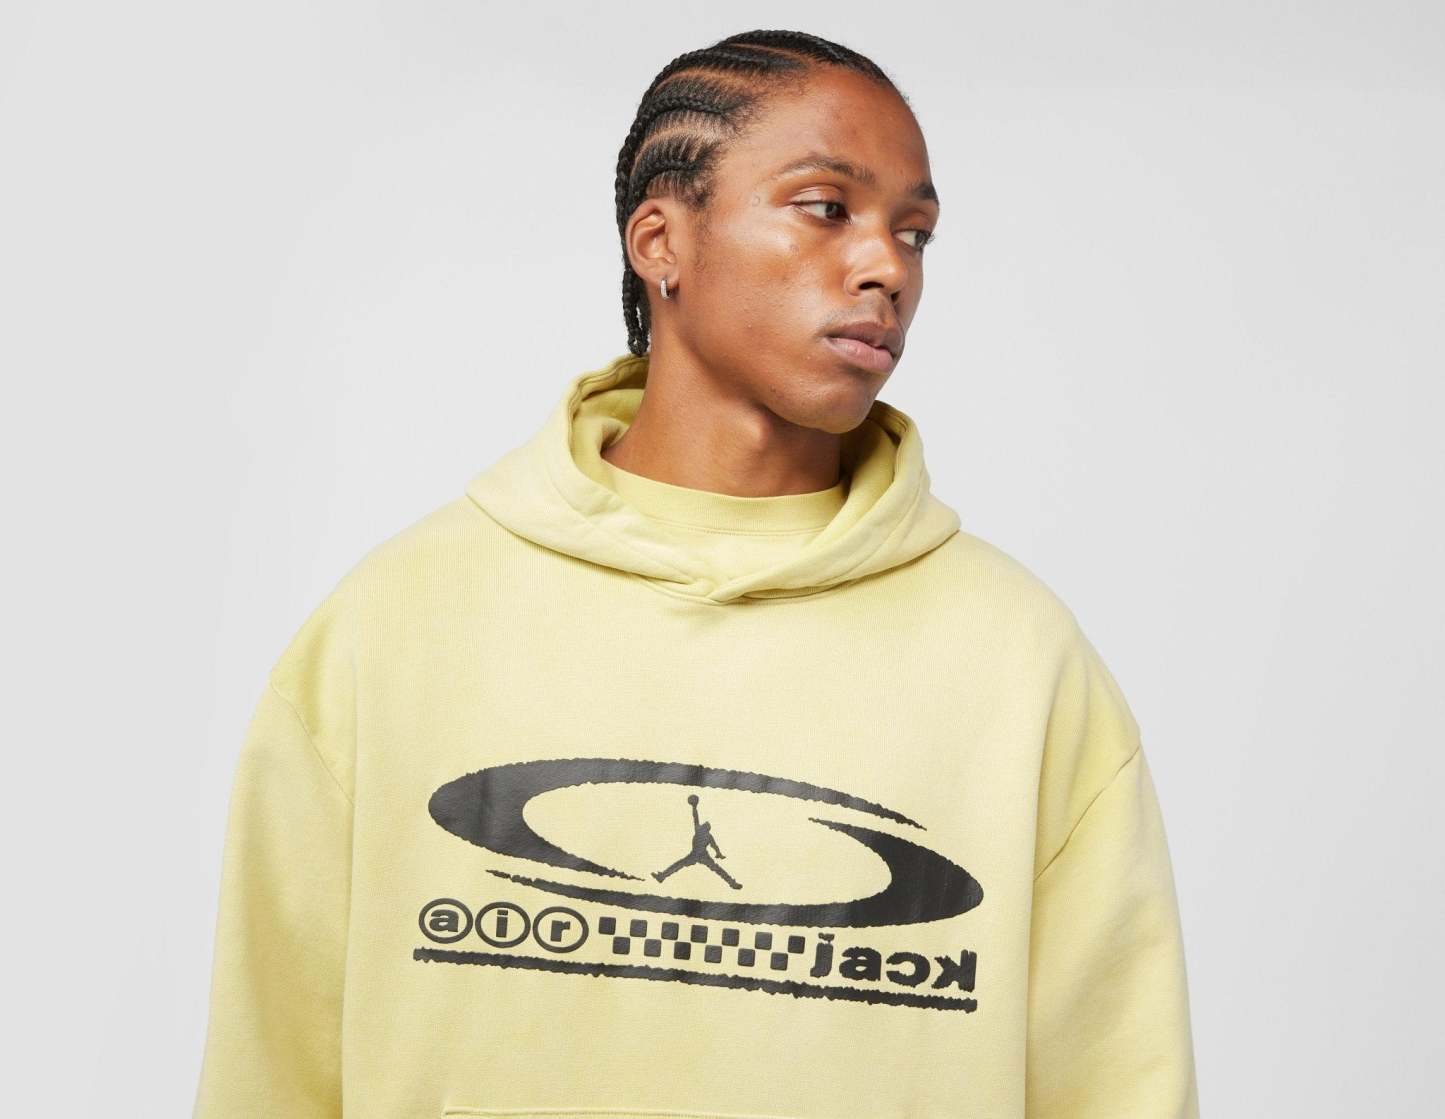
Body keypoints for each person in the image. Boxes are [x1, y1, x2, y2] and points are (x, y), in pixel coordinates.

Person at [193, 27, 1200, 1118]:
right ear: (660, 239)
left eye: (914, 233)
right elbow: (270, 1069)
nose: (887, 268)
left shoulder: (1019, 662)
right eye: (826, 207)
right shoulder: (395, 625)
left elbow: (1118, 1086)